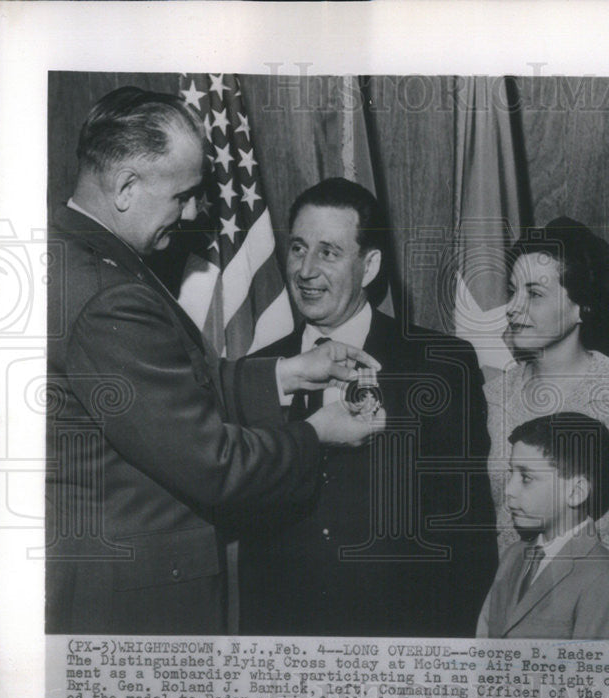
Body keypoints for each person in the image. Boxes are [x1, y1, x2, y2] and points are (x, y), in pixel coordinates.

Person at [46, 87, 384, 635]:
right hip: (135, 608)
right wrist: (316, 433)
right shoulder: (108, 294)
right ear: (128, 188)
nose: (194, 211)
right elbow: (214, 464)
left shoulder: (67, 253)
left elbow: (156, 402)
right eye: (182, 195)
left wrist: (285, 372)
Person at [237, 178, 496, 637]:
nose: (305, 270)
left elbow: (465, 528)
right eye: (298, 249)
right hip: (283, 640)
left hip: (401, 638)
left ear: (370, 265)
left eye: (329, 253)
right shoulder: (259, 371)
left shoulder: (439, 365)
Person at [485, 217, 609, 562]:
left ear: (581, 306)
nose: (513, 308)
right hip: (503, 594)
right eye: (513, 292)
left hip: (596, 598)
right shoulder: (491, 398)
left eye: (535, 293)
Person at [477, 413, 609, 639]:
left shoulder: (606, 582)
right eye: (511, 474)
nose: (509, 491)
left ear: (576, 492)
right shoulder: (512, 557)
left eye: (526, 478)